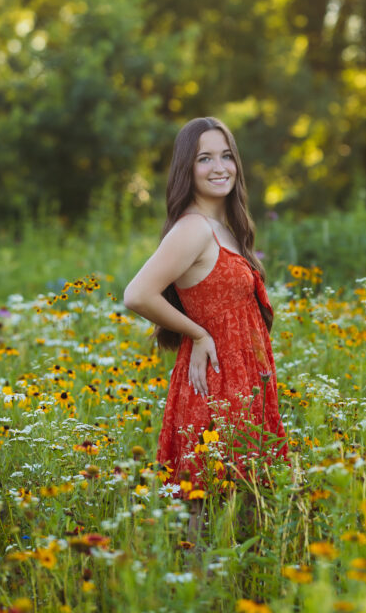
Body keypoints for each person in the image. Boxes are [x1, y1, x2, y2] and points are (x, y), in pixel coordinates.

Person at [123, 116, 287, 514]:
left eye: (227, 156)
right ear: (186, 169)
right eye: (205, 159)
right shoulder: (193, 228)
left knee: (246, 505)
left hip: (244, 379)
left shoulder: (225, 228)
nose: (219, 168)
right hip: (214, 383)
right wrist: (197, 333)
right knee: (208, 506)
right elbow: (137, 294)